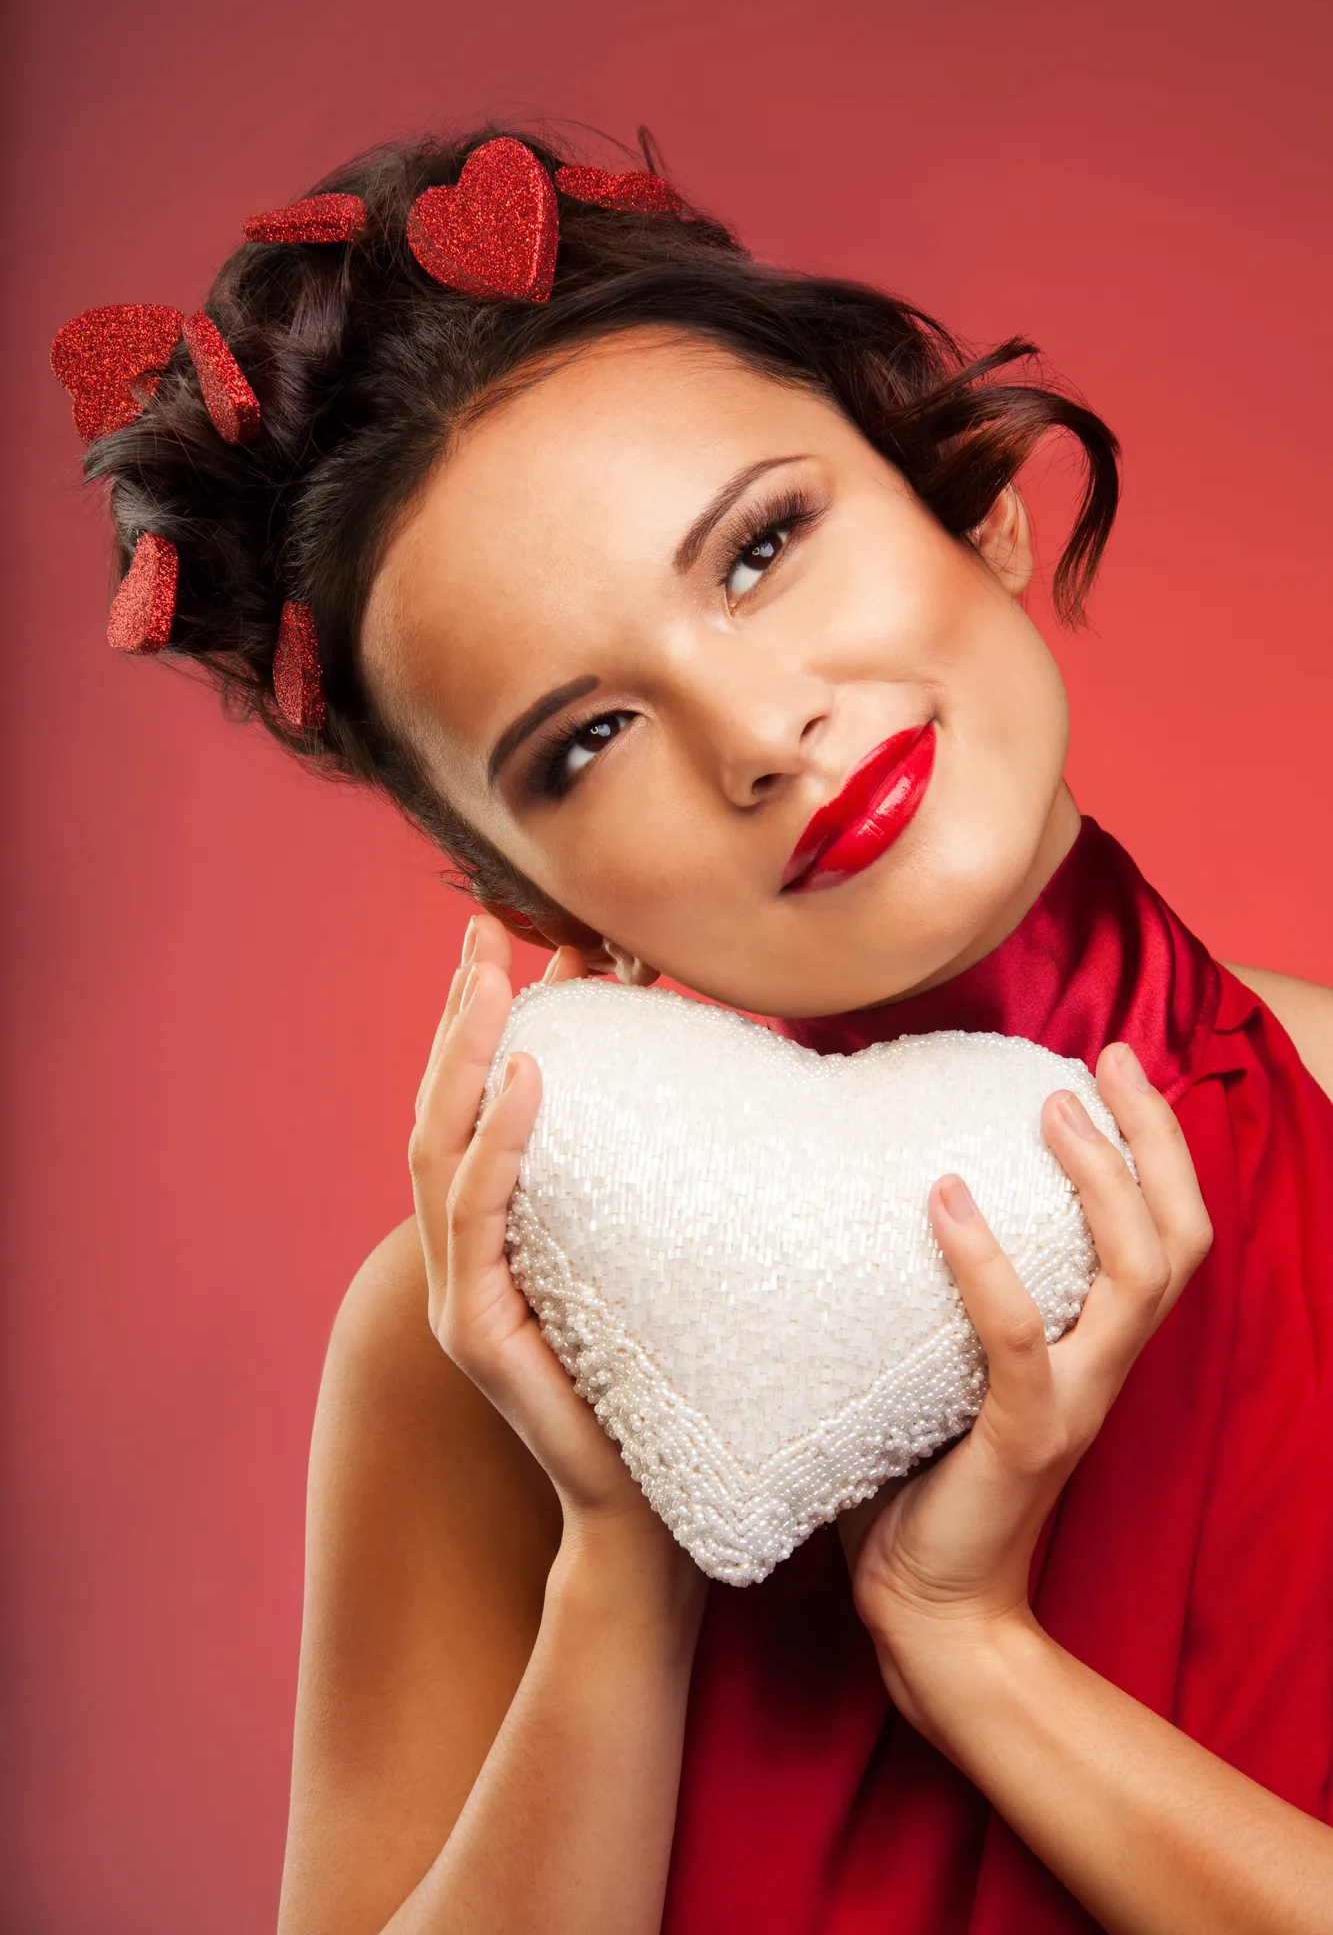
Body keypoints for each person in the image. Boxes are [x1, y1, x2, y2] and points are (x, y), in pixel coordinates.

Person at [57, 127, 1333, 1934]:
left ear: (973, 502)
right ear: (541, 904)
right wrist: (628, 1555)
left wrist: (971, 1654)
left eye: (762, 547)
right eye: (584, 740)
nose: (754, 729)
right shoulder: (465, 1352)